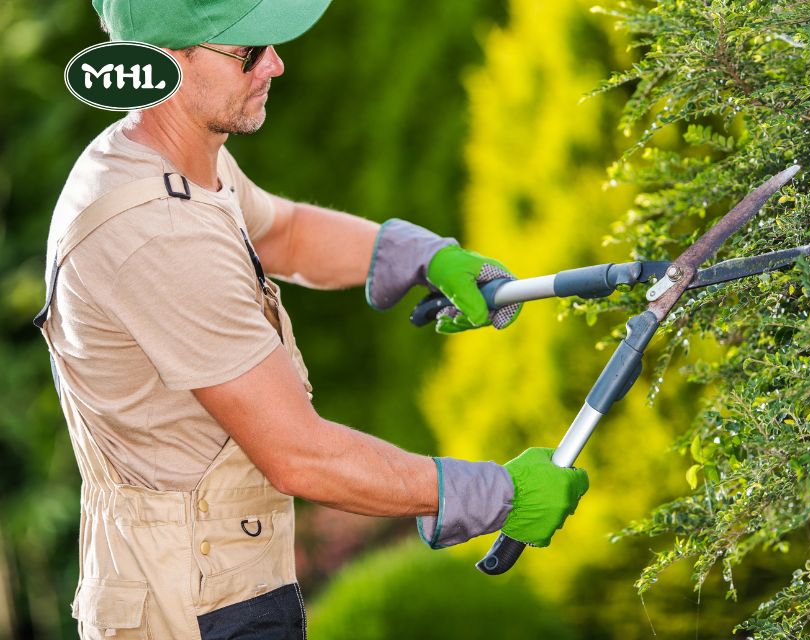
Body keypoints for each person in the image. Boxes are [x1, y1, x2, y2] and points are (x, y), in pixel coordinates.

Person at [34, 1, 588, 637]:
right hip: (192, 611)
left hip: (221, 582)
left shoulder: (176, 159)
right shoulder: (154, 231)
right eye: (247, 51)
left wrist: (425, 257)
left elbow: (287, 233)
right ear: (163, 65)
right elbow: (301, 456)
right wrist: (500, 494)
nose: (276, 62)